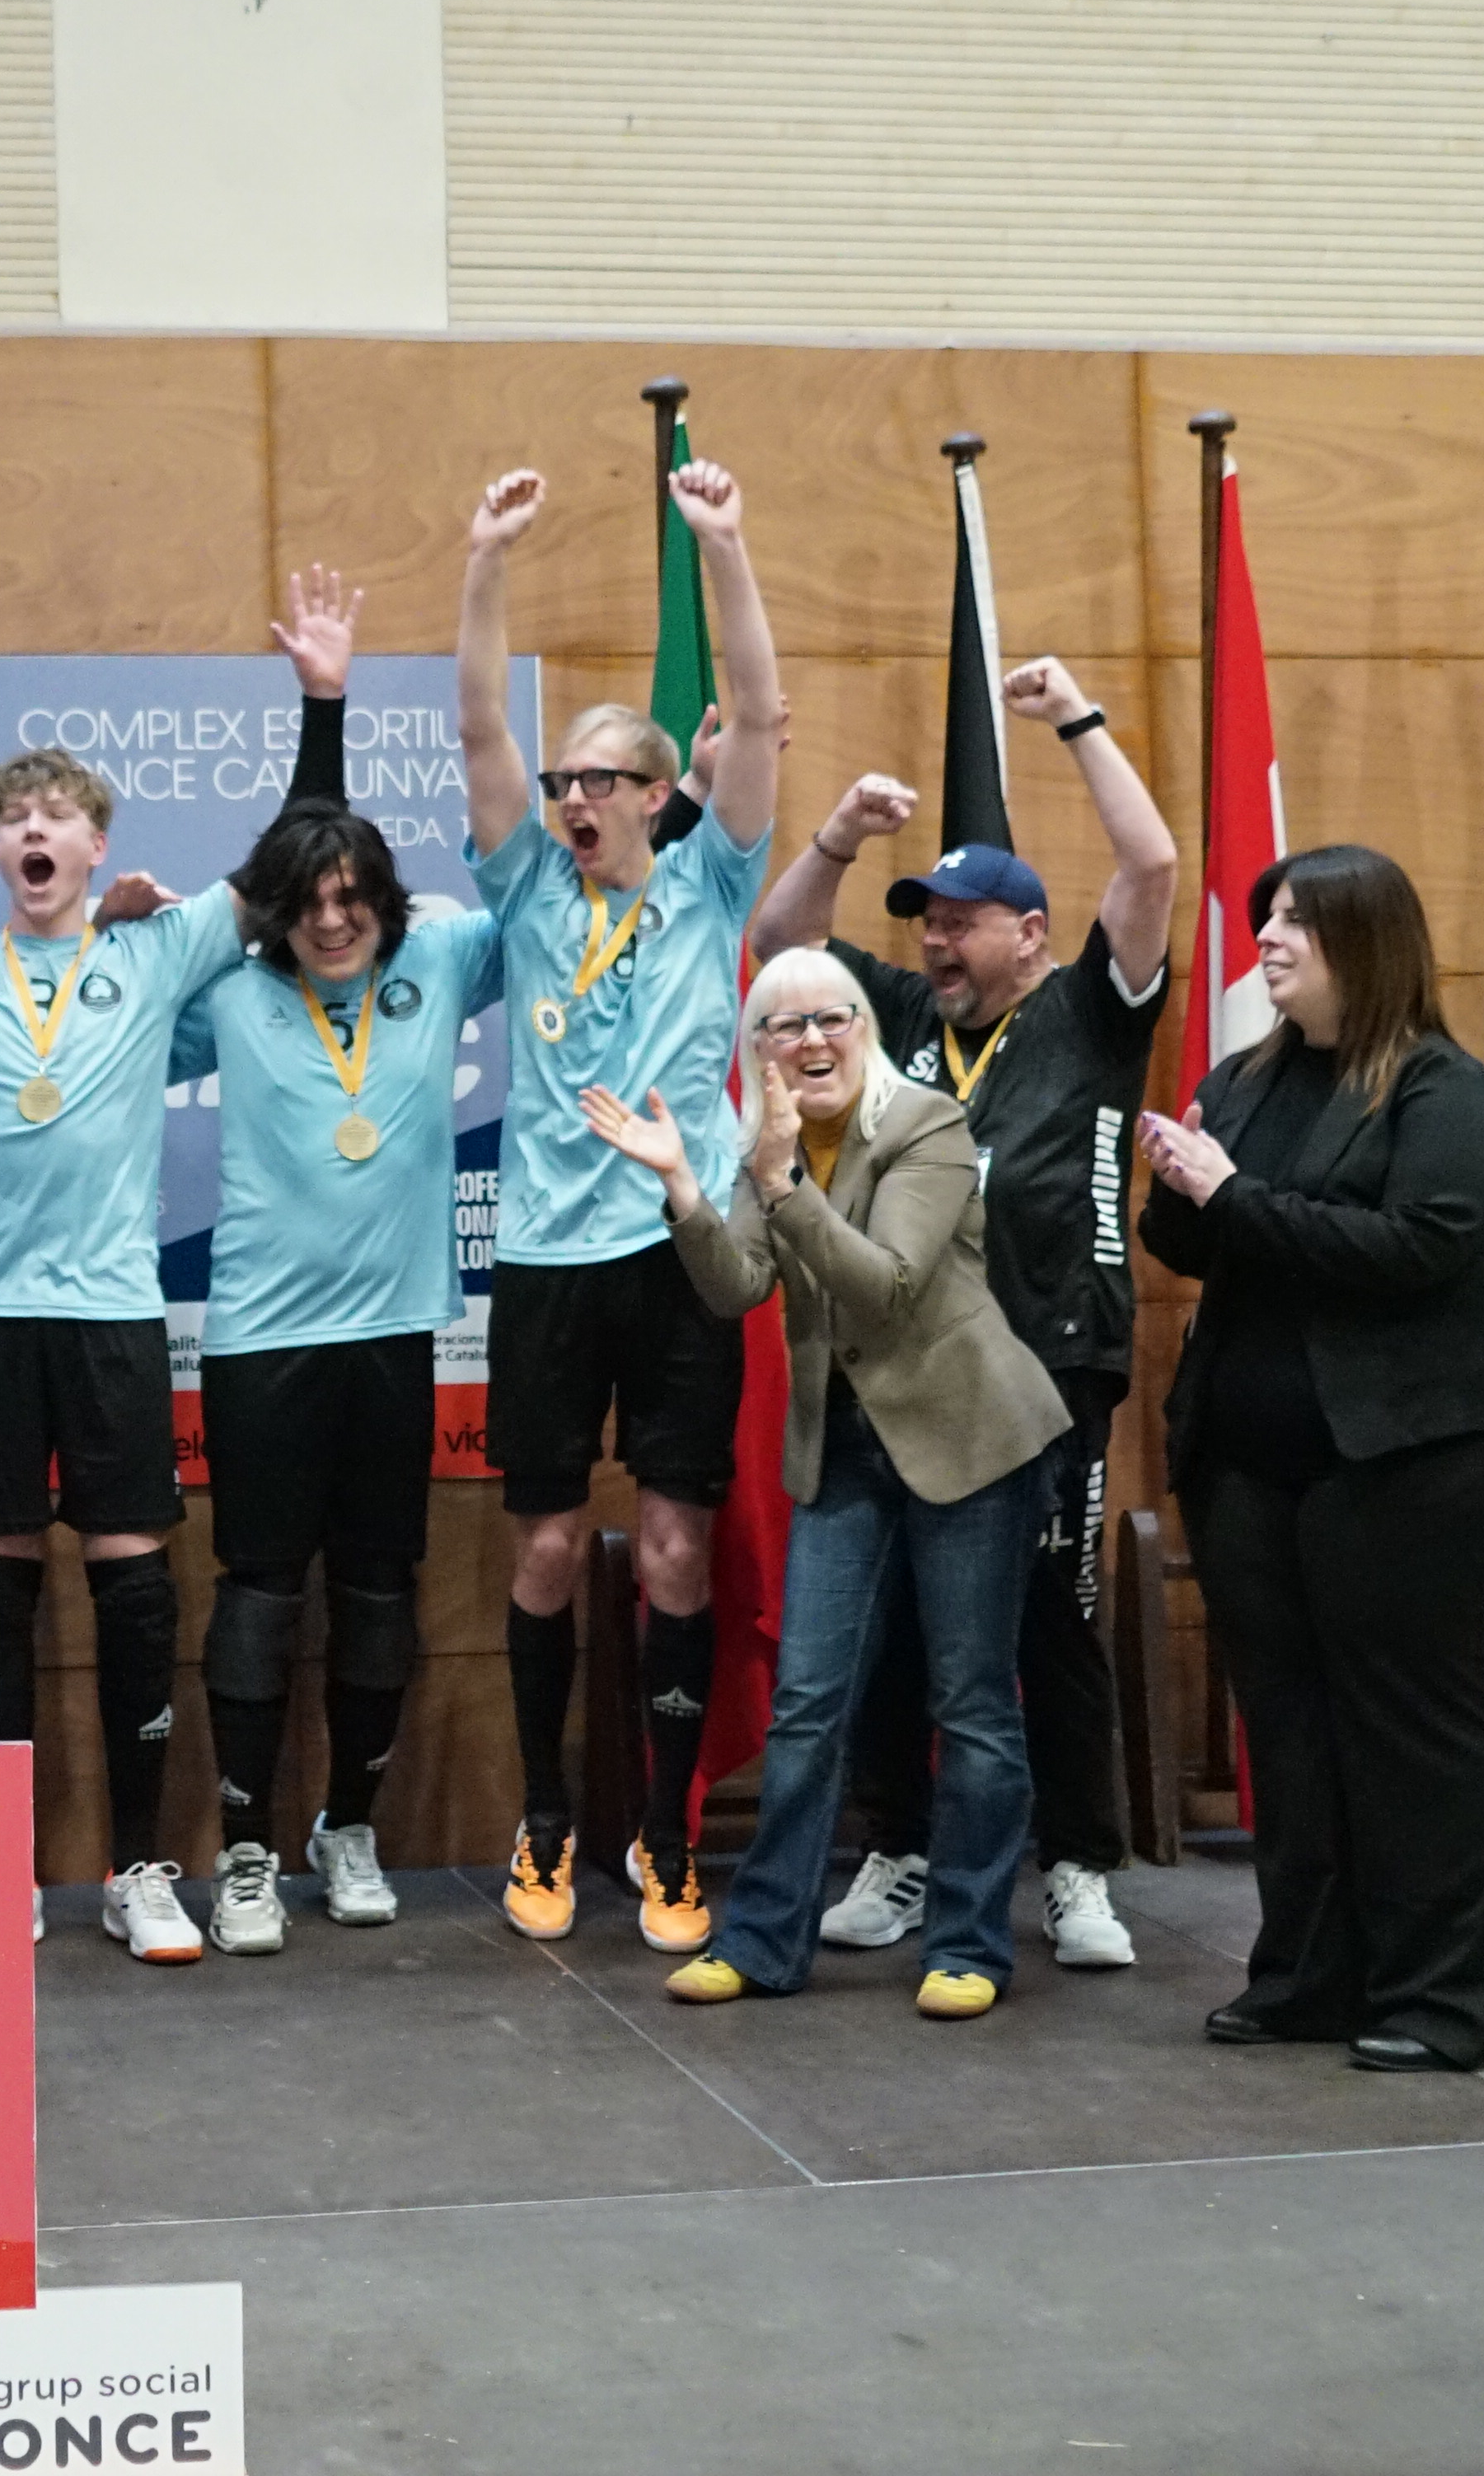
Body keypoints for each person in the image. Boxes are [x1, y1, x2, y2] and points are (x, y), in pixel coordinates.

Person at [0, 608, 344, 1962]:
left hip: (112, 1318)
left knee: (131, 1586)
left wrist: (324, 703)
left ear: (98, 846)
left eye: (59, 815)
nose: (36, 833)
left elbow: (292, 860)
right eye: (16, 818)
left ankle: (134, 1868)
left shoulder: (151, 953)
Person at [745, 659, 1177, 1973]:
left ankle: (1081, 1865)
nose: (937, 940)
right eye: (926, 919)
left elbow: (1152, 867)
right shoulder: (893, 1025)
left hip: (1050, 1366)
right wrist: (836, 835)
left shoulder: (1092, 1011)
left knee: (1049, 1615)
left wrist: (1079, 724)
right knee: (880, 1628)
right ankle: (905, 1846)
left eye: (965, 920)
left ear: (1031, 933)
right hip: (902, 1362)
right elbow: (780, 949)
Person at [583, 948, 1066, 2014]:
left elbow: (886, 1286)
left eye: (830, 1019)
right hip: (846, 1450)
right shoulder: (773, 1146)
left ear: (865, 1028)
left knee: (973, 1702)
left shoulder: (926, 1126)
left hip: (971, 1441)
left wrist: (780, 1184)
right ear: (755, 1051)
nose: (809, 1042)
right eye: (781, 1027)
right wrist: (683, 1189)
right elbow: (736, 1287)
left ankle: (970, 1946)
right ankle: (761, 1942)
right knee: (808, 1703)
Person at [451, 460, 788, 1949]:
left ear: (662, 793)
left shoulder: (712, 881)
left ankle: (665, 1839)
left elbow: (762, 724)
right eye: (566, 779)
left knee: (671, 1544)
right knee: (537, 1547)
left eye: (602, 779)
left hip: (679, 1251)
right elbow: (475, 728)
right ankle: (543, 1821)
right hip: (542, 1261)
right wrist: (485, 565)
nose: (575, 797)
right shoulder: (527, 888)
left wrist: (723, 547)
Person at [1138, 844, 1484, 2073]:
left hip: (1411, 1461)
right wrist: (1175, 1185)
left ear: (1368, 943)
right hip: (1254, 1462)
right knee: (1293, 1730)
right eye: (1266, 917)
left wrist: (1230, 1195)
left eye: (1299, 922)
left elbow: (1417, 1247)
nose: (1267, 937)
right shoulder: (1252, 1077)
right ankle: (1312, 1976)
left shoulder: (1439, 1088)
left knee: (1412, 1730)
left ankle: (1450, 2001)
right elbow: (1194, 1241)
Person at [166, 565, 505, 1950]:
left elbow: (550, 883)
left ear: (386, 902)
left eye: (355, 894)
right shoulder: (232, 996)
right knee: (257, 1596)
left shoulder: (445, 964)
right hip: (256, 1347)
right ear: (277, 909)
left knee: (378, 1597)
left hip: (391, 1342)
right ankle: (244, 1849)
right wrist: (322, 705)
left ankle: (346, 1828)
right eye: (308, 899)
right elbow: (94, 1027)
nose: (332, 917)